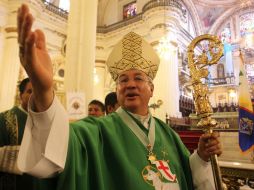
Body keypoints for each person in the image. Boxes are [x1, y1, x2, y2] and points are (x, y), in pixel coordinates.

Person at [17, 4, 222, 190]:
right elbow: (56, 150)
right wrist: (43, 92)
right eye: (123, 80)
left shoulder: (168, 135)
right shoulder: (96, 132)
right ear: (117, 91)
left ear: (151, 89)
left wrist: (202, 157)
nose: (130, 84)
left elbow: (186, 175)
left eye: (138, 78)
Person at [0, 78, 36, 190]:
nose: (35, 95)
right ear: (21, 96)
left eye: (38, 91)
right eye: (30, 91)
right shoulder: (4, 119)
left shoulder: (48, 121)